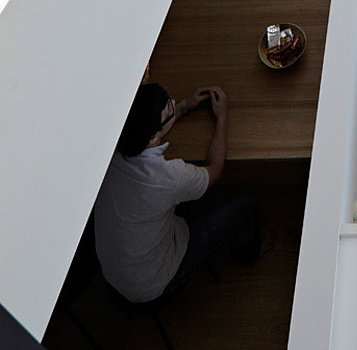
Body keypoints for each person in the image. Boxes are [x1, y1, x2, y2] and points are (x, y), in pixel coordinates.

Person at [94, 83, 260, 303]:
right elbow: (216, 169)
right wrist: (222, 117)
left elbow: (150, 130)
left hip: (115, 271)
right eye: (169, 109)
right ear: (152, 136)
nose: (173, 104)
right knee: (247, 203)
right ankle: (247, 253)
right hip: (151, 283)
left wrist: (184, 106)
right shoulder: (168, 177)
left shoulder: (109, 150)